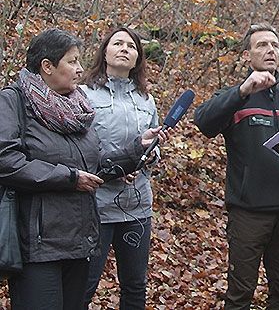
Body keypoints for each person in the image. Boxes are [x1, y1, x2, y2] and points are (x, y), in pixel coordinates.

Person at [0, 28, 163, 310]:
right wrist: (70, 178)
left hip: (79, 239)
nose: (79, 69)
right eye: (72, 62)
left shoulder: (77, 107)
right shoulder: (14, 101)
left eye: (79, 61)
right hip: (38, 243)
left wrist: (138, 147)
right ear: (47, 66)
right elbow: (7, 163)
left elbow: (95, 165)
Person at [194, 23, 279, 309]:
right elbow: (203, 122)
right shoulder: (235, 97)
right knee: (240, 294)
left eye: (274, 45)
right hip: (248, 212)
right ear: (248, 55)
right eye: (261, 45)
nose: (270, 50)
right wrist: (241, 91)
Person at [82, 27, 160, 309]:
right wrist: (118, 165)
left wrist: (149, 157)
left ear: (138, 57)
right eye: (118, 43)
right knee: (85, 284)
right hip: (96, 206)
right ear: (105, 51)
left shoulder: (146, 99)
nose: (124, 48)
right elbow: (81, 149)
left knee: (135, 285)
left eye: (131, 45)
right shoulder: (83, 94)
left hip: (136, 207)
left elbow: (154, 146)